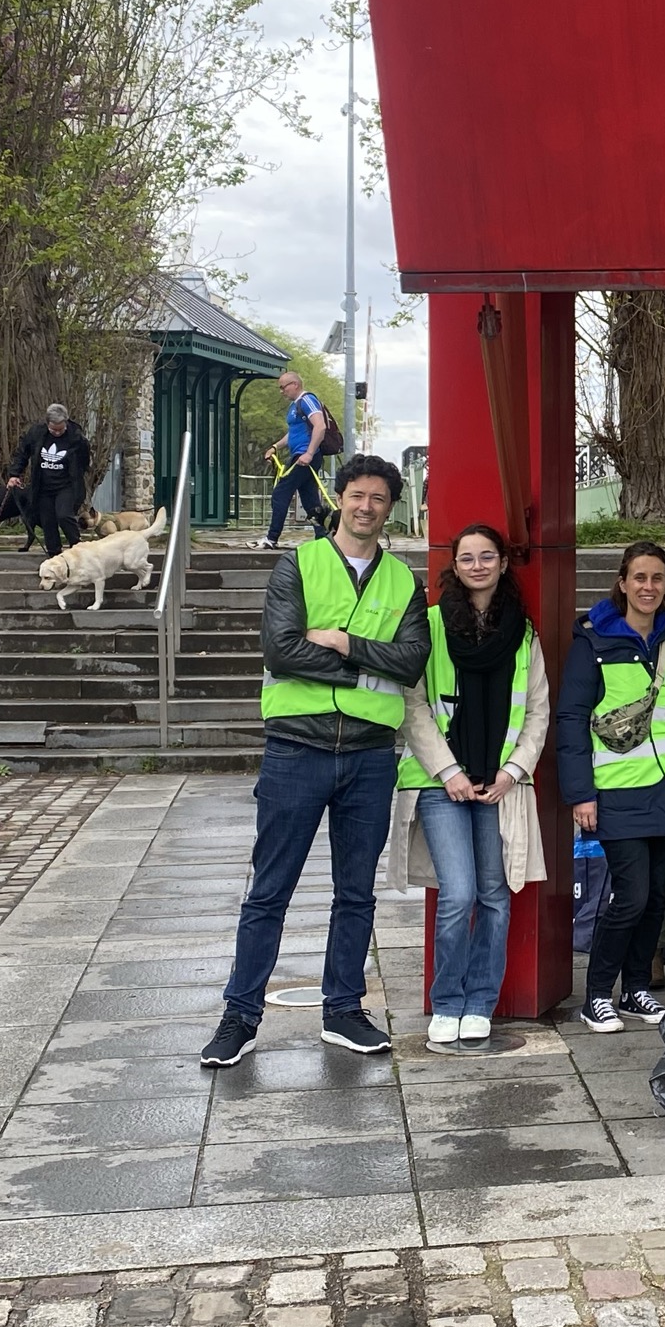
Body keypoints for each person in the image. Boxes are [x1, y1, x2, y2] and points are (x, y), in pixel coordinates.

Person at [203, 454, 429, 1067]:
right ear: (340, 498)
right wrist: (363, 667)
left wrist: (342, 642)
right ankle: (239, 1016)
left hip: (369, 756)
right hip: (296, 750)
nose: (366, 506)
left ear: (390, 508)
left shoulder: (404, 580)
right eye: (357, 495)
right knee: (269, 890)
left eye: (378, 498)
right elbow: (281, 651)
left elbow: (412, 662)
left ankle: (344, 1010)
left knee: (356, 893)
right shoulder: (298, 564)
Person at [395, 522, 549, 1053]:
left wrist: (512, 771)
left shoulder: (523, 632)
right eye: (467, 558)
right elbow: (413, 704)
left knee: (495, 896)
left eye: (487, 556)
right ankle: (446, 1002)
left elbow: (537, 711)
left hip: (501, 782)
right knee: (458, 894)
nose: (478, 565)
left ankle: (480, 1003)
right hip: (441, 781)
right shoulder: (431, 624)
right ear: (454, 566)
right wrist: (449, 772)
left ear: (503, 564)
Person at [556, 542, 665, 1034]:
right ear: (622, 582)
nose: (648, 587)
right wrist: (580, 793)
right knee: (631, 897)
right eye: (639, 577)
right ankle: (597, 994)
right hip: (618, 789)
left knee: (658, 898)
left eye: (658, 578)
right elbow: (571, 718)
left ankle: (636, 988)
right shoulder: (593, 639)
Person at [260, 369, 335, 548]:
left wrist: (309, 453)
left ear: (295, 384)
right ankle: (324, 538)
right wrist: (275, 447)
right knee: (310, 501)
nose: (281, 391)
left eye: (283, 387)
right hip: (300, 456)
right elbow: (293, 434)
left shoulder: (307, 400)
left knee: (280, 493)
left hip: (304, 457)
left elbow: (320, 426)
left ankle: (272, 538)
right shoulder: (295, 406)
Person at [5, 402, 91, 559]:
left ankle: (78, 548)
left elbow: (85, 460)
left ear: (66, 422)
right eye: (53, 430)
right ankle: (54, 555)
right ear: (47, 423)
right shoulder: (36, 433)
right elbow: (22, 454)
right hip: (43, 486)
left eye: (60, 429)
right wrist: (14, 474)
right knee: (47, 521)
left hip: (67, 485)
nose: (57, 433)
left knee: (64, 515)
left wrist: (78, 473)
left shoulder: (76, 437)